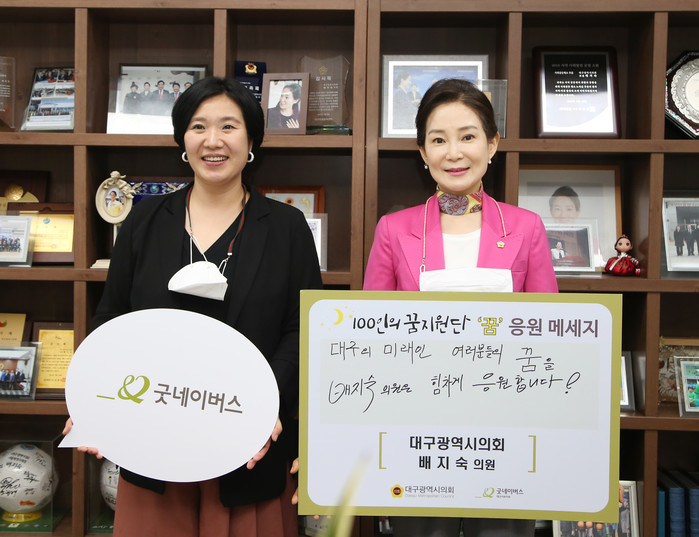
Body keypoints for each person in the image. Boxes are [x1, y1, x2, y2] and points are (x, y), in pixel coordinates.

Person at [62, 76, 323, 537]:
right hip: (152, 438)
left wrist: (267, 407)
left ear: (252, 141)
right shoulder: (144, 220)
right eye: (198, 126)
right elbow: (112, 316)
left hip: (248, 445)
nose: (213, 140)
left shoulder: (286, 227)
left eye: (229, 126)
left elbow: (301, 329)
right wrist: (93, 396)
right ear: (183, 139)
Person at [363, 78, 557, 537]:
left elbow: (549, 337)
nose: (454, 153)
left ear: (492, 144)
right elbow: (368, 338)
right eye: (438, 140)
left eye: (468, 136)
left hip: (506, 428)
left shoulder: (527, 228)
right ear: (422, 151)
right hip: (417, 430)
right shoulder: (393, 230)